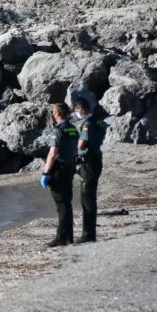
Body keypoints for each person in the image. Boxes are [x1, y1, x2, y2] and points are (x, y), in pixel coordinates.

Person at [40, 103, 80, 247]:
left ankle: (61, 238)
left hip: (59, 169)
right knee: (66, 203)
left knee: (61, 204)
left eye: (53, 111)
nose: (52, 113)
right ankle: (69, 236)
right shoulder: (73, 128)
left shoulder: (58, 130)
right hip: (70, 167)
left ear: (57, 113)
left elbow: (52, 154)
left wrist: (45, 172)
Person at [74, 98, 107, 243]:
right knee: (91, 197)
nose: (76, 114)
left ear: (81, 109)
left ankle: (88, 234)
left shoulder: (87, 124)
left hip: (88, 162)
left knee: (87, 198)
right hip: (97, 158)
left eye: (76, 111)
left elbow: (82, 144)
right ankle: (89, 232)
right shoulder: (98, 120)